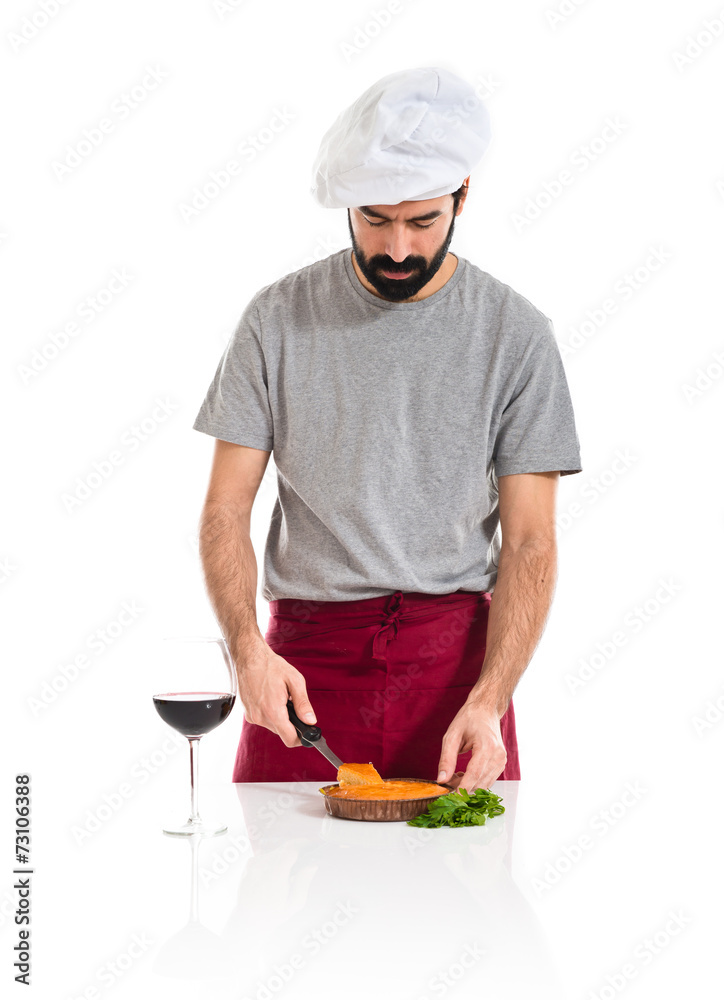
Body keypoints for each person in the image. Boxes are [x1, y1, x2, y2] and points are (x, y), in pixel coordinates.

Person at [193, 67, 583, 792]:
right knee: (281, 895)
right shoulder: (274, 319)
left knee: (465, 896)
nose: (397, 247)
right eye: (374, 219)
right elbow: (225, 508)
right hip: (301, 678)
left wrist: (491, 699)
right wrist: (246, 648)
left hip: (460, 678)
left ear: (463, 196)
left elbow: (531, 540)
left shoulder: (518, 335)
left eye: (422, 220)